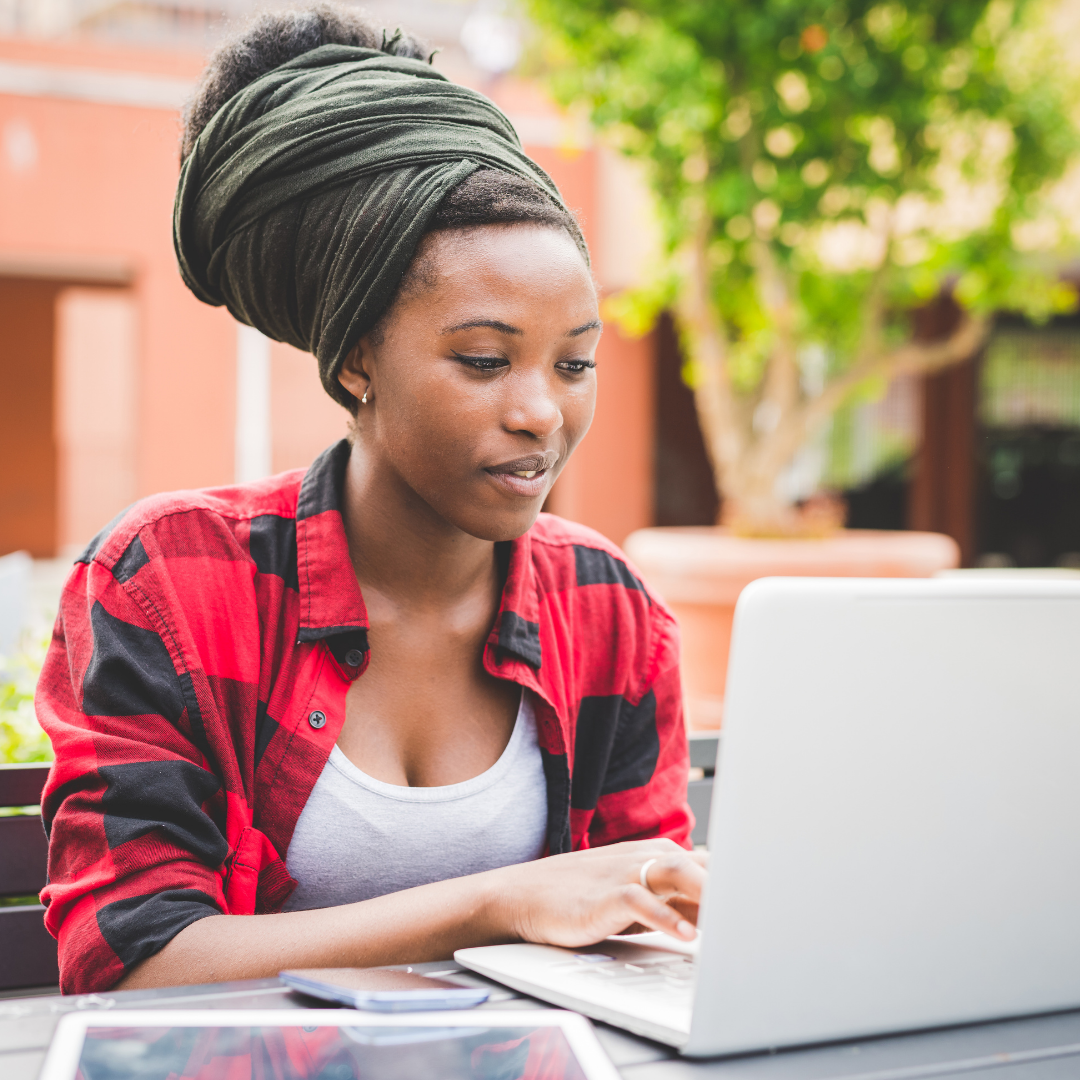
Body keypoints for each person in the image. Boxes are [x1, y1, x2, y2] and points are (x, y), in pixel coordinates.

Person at [36, 3, 703, 997]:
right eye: (484, 360)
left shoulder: (608, 608)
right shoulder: (167, 581)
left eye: (575, 364)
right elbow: (130, 958)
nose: (540, 414)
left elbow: (646, 926)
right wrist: (496, 901)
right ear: (355, 364)